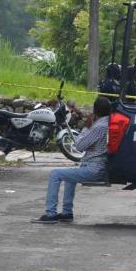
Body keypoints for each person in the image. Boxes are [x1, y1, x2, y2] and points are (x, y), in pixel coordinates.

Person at [32, 96, 112, 224]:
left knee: (55, 174)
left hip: (94, 169)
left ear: (96, 111)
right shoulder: (107, 122)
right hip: (97, 165)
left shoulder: (98, 126)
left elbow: (79, 146)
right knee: (70, 177)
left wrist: (87, 127)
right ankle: (67, 213)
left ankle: (51, 214)